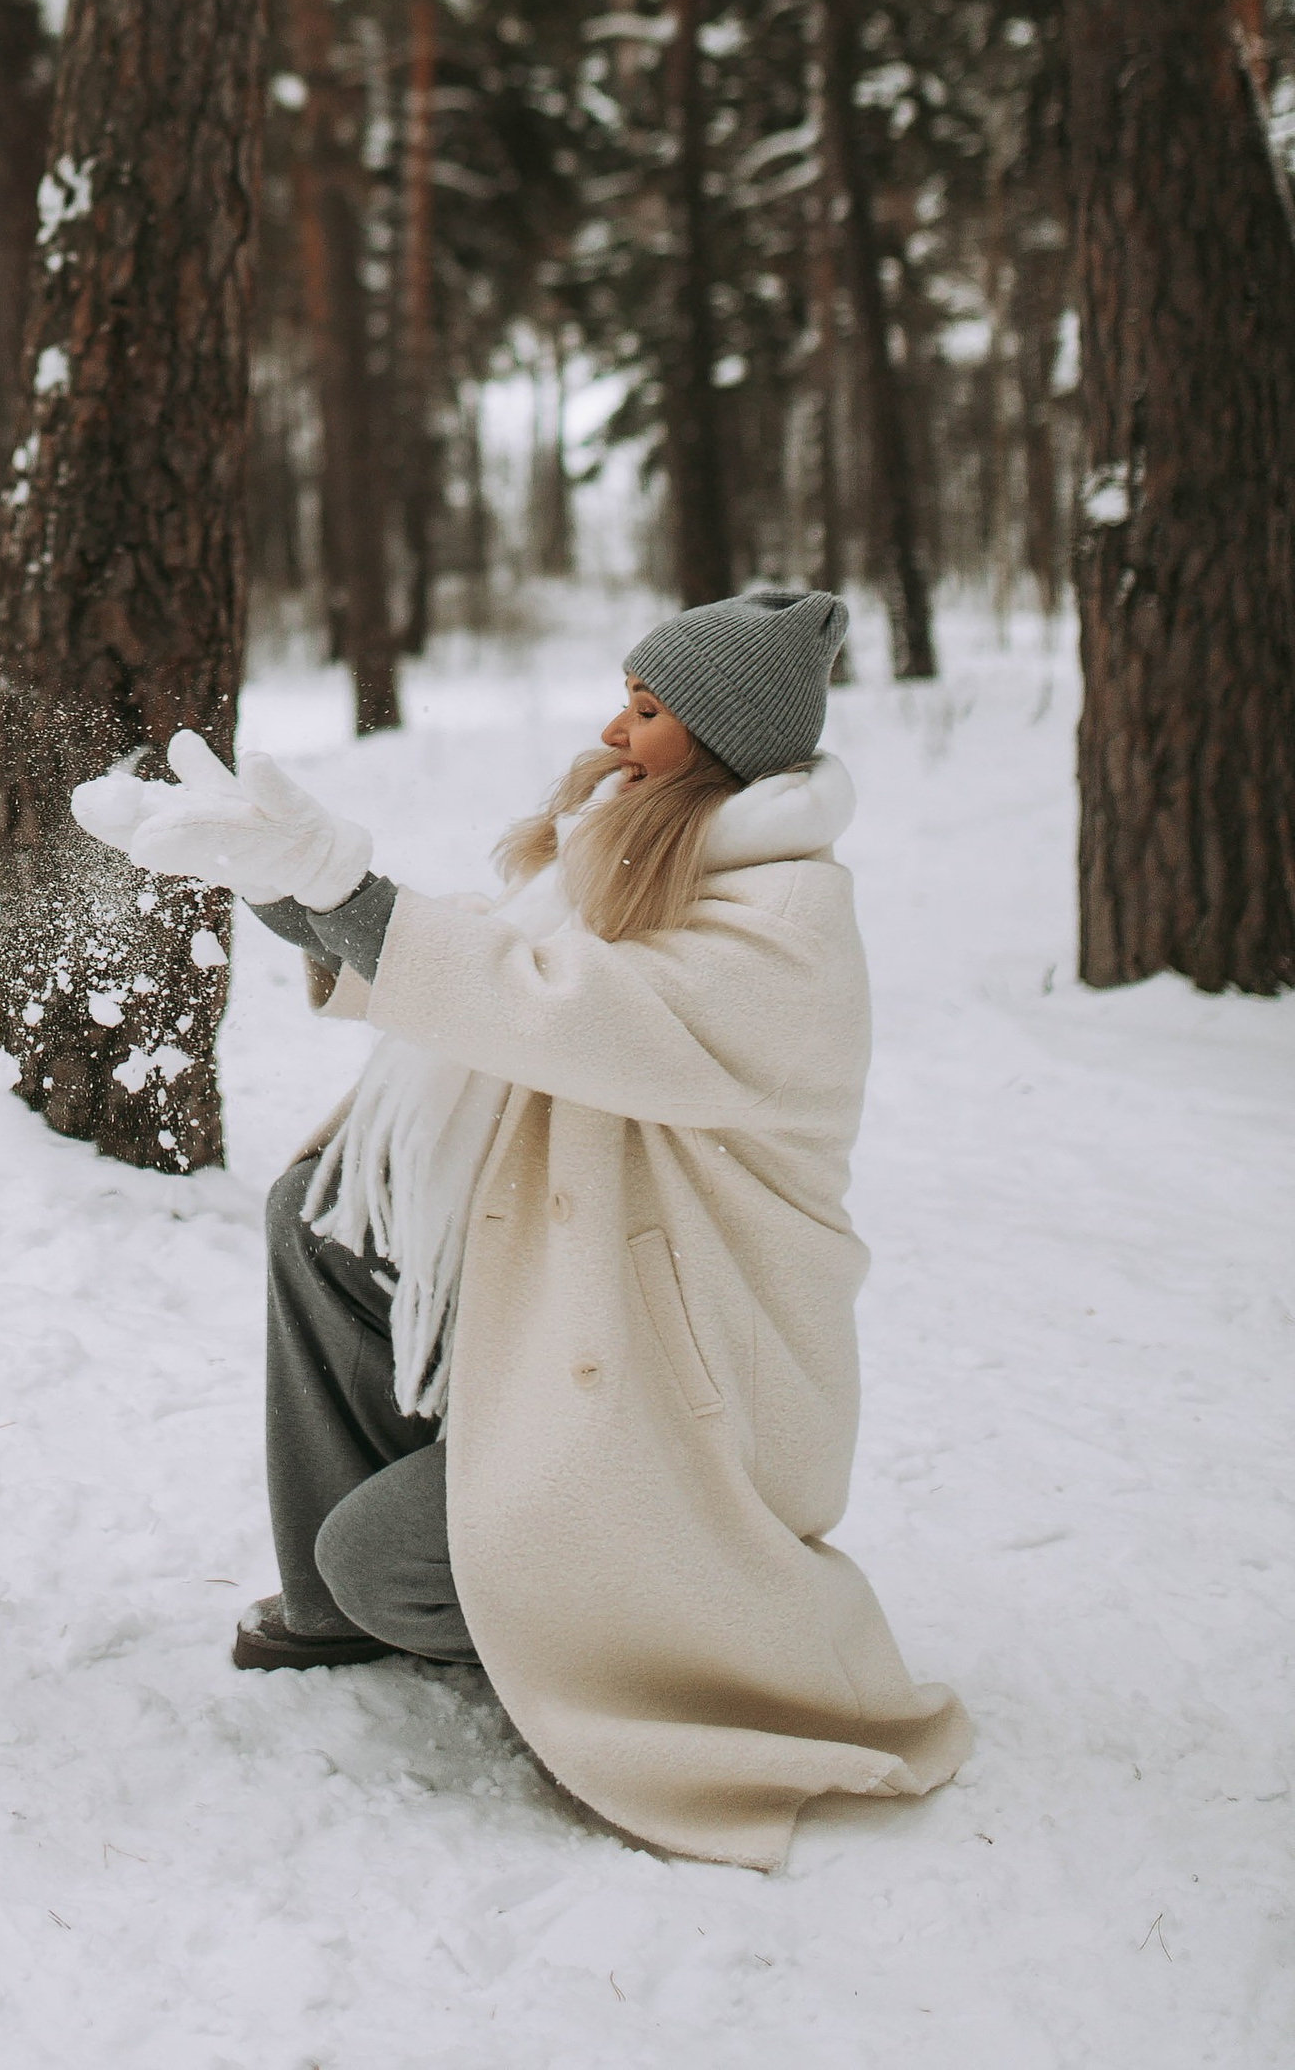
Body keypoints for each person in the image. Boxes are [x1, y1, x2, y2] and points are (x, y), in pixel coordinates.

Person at [78, 583, 971, 1870]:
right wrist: (277, 881)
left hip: (680, 1390)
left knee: (392, 1561)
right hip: (576, 1299)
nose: (615, 731)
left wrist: (349, 888)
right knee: (318, 1217)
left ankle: (550, 1620)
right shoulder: (629, 846)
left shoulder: (787, 926)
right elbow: (493, 961)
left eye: (649, 709)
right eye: (624, 695)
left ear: (721, 742)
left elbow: (557, 1006)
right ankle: (339, 1614)